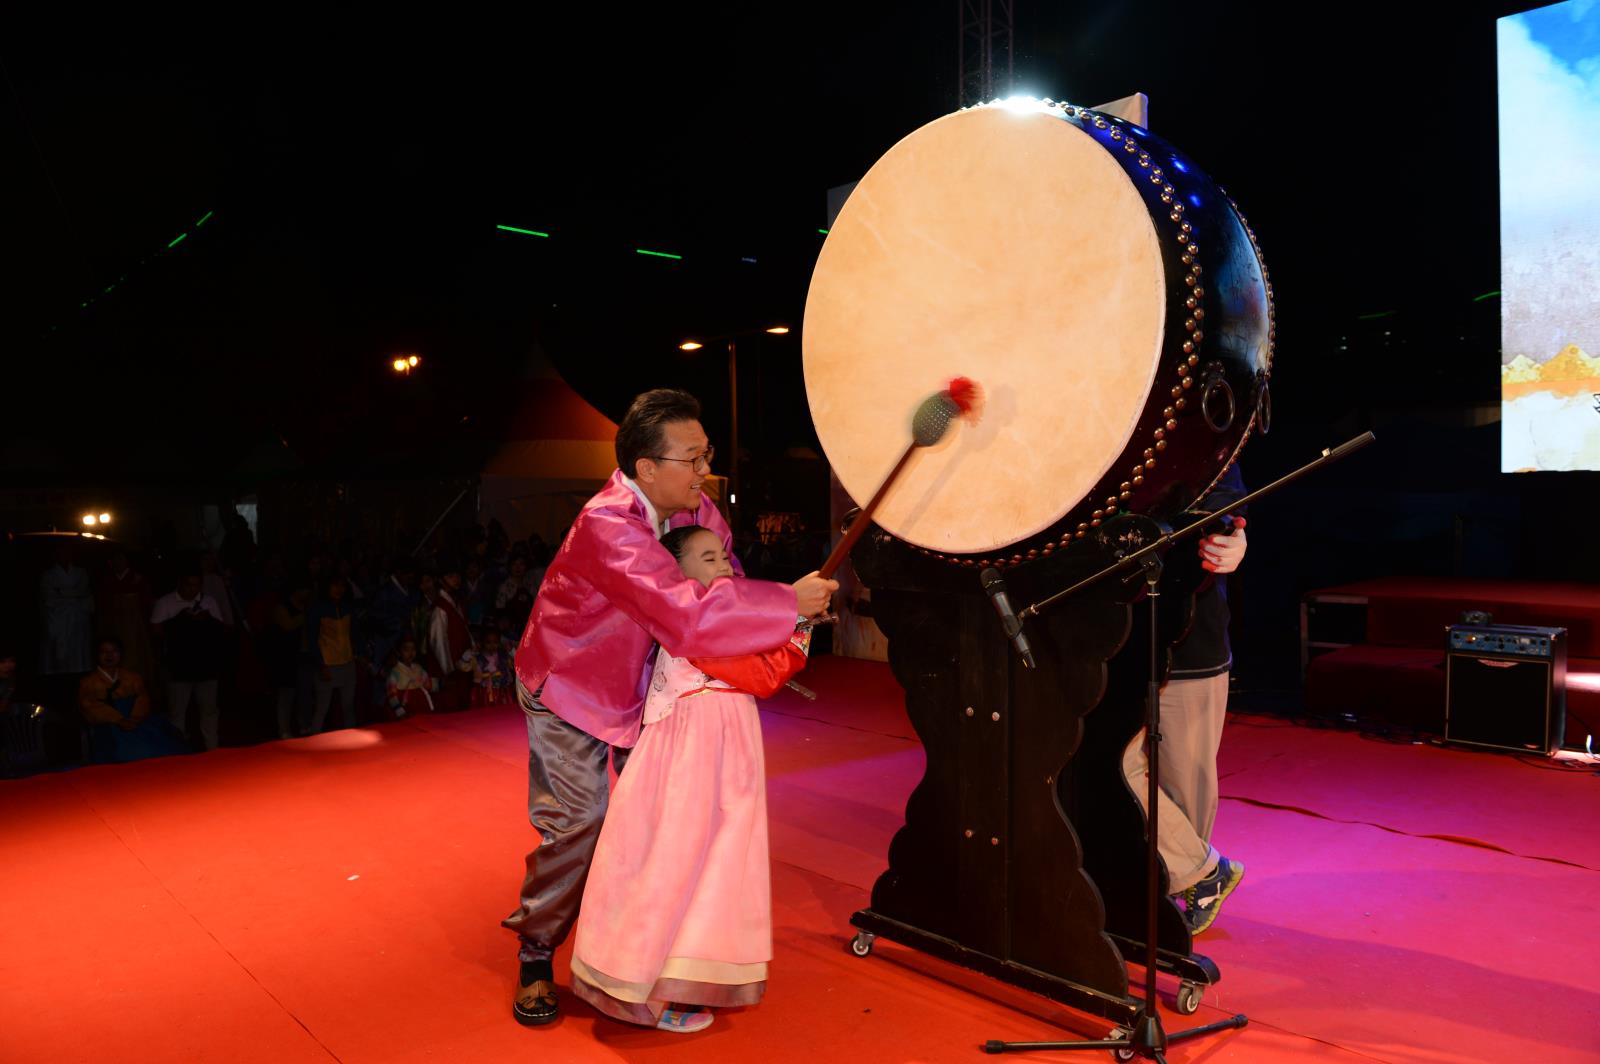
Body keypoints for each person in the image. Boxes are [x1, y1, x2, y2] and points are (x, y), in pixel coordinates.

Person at [503, 388, 837, 1028]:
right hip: (573, 687)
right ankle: (536, 951)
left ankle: (646, 963)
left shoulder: (702, 509)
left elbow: (722, 583)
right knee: (582, 822)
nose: (704, 469)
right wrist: (786, 604)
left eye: (706, 454)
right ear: (645, 468)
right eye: (691, 457)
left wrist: (777, 623)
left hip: (648, 688)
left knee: (664, 825)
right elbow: (684, 613)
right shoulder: (607, 524)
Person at [570, 526, 810, 1033]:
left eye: (723, 553)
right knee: (679, 863)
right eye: (707, 557)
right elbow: (765, 672)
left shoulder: (717, 617)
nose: (722, 563)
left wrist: (795, 616)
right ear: (675, 576)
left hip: (722, 752)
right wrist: (799, 615)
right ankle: (654, 988)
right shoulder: (692, 621)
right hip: (692, 758)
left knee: (712, 865)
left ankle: (682, 979)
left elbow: (762, 653)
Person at [1120, 464, 1249, 935]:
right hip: (1115, 638)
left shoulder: (1208, 439)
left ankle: (1187, 885)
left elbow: (1227, 514)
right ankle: (1199, 872)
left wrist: (1236, 542)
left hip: (1193, 639)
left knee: (1185, 782)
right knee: (1112, 760)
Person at [150, 571, 228, 750]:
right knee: (177, 713)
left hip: (206, 666)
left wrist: (206, 620)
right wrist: (180, 621)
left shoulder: (209, 602)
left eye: (197, 585)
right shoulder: (165, 602)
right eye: (188, 584)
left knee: (209, 711)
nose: (193, 589)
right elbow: (156, 631)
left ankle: (212, 751)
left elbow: (221, 631)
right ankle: (177, 753)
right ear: (180, 583)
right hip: (178, 667)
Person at [78, 637, 186, 763]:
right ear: (97, 655)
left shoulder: (132, 677)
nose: (109, 655)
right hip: (108, 724)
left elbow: (143, 697)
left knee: (160, 745)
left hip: (135, 720)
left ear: (121, 654)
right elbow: (89, 706)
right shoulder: (88, 682)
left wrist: (135, 717)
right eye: (104, 652)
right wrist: (118, 719)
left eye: (114, 651)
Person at [306, 575, 359, 733]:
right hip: (327, 664)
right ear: (327, 587)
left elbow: (355, 633)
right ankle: (314, 745)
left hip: (347, 663)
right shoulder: (317, 609)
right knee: (322, 708)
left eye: (341, 585)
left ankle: (353, 744)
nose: (338, 589)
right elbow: (312, 640)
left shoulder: (348, 607)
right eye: (334, 585)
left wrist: (359, 655)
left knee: (349, 707)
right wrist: (321, 664)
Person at [427, 560, 474, 711]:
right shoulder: (440, 607)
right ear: (441, 580)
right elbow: (438, 641)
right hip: (449, 671)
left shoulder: (456, 602)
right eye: (451, 576)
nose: (456, 580)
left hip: (461, 666)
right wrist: (448, 670)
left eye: (457, 576)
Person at [385, 636, 438, 719]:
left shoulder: (418, 668)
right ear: (399, 652)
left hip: (421, 706)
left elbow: (427, 683)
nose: (411, 653)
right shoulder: (395, 671)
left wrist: (441, 683)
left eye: (413, 649)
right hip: (405, 707)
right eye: (406, 650)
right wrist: (398, 709)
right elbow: (391, 694)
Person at [460, 625, 513, 707]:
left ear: (499, 643)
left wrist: (510, 650)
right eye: (488, 642)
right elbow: (463, 666)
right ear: (482, 643)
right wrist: (469, 653)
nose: (492, 645)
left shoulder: (503, 656)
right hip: (484, 691)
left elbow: (516, 663)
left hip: (501, 690)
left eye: (495, 642)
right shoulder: (478, 658)